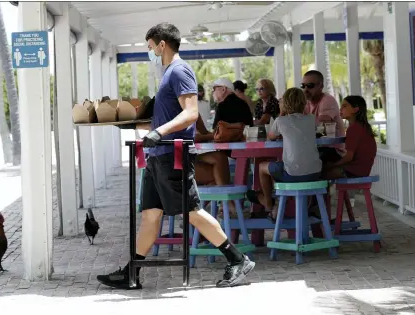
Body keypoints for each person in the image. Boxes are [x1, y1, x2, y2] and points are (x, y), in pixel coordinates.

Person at [97, 23, 255, 290]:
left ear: (162, 45)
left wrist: (159, 132)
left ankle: (238, 260)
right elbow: (162, 120)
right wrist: (125, 123)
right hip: (157, 157)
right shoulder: (168, 74)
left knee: (191, 212)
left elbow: (191, 113)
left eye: (150, 47)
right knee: (150, 215)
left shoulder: (179, 71)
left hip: (173, 156)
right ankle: (131, 273)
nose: (150, 53)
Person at [246, 88, 322, 221]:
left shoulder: (281, 121)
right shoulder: (311, 119)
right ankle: (281, 207)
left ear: (284, 104)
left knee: (262, 166)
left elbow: (271, 137)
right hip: (316, 174)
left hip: (292, 174)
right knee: (280, 169)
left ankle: (268, 202)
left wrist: (281, 114)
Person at [195, 78, 254, 218]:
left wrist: (200, 137)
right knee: (217, 168)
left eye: (214, 89)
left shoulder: (222, 106)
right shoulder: (243, 104)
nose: (212, 92)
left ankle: (220, 207)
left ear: (223, 89)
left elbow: (216, 133)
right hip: (246, 155)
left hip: (228, 157)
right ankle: (227, 205)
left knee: (217, 162)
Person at [323, 95, 377, 179]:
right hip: (363, 170)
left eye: (344, 106)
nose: (340, 109)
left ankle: (322, 192)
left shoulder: (354, 129)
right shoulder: (363, 126)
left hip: (354, 171)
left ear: (355, 109)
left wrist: (332, 165)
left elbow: (349, 157)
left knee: (320, 173)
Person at [301, 70, 346, 164]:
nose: (305, 89)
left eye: (310, 86)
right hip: (318, 148)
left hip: (333, 151)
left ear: (321, 86)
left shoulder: (327, 100)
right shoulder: (306, 103)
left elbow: (321, 128)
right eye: (303, 86)